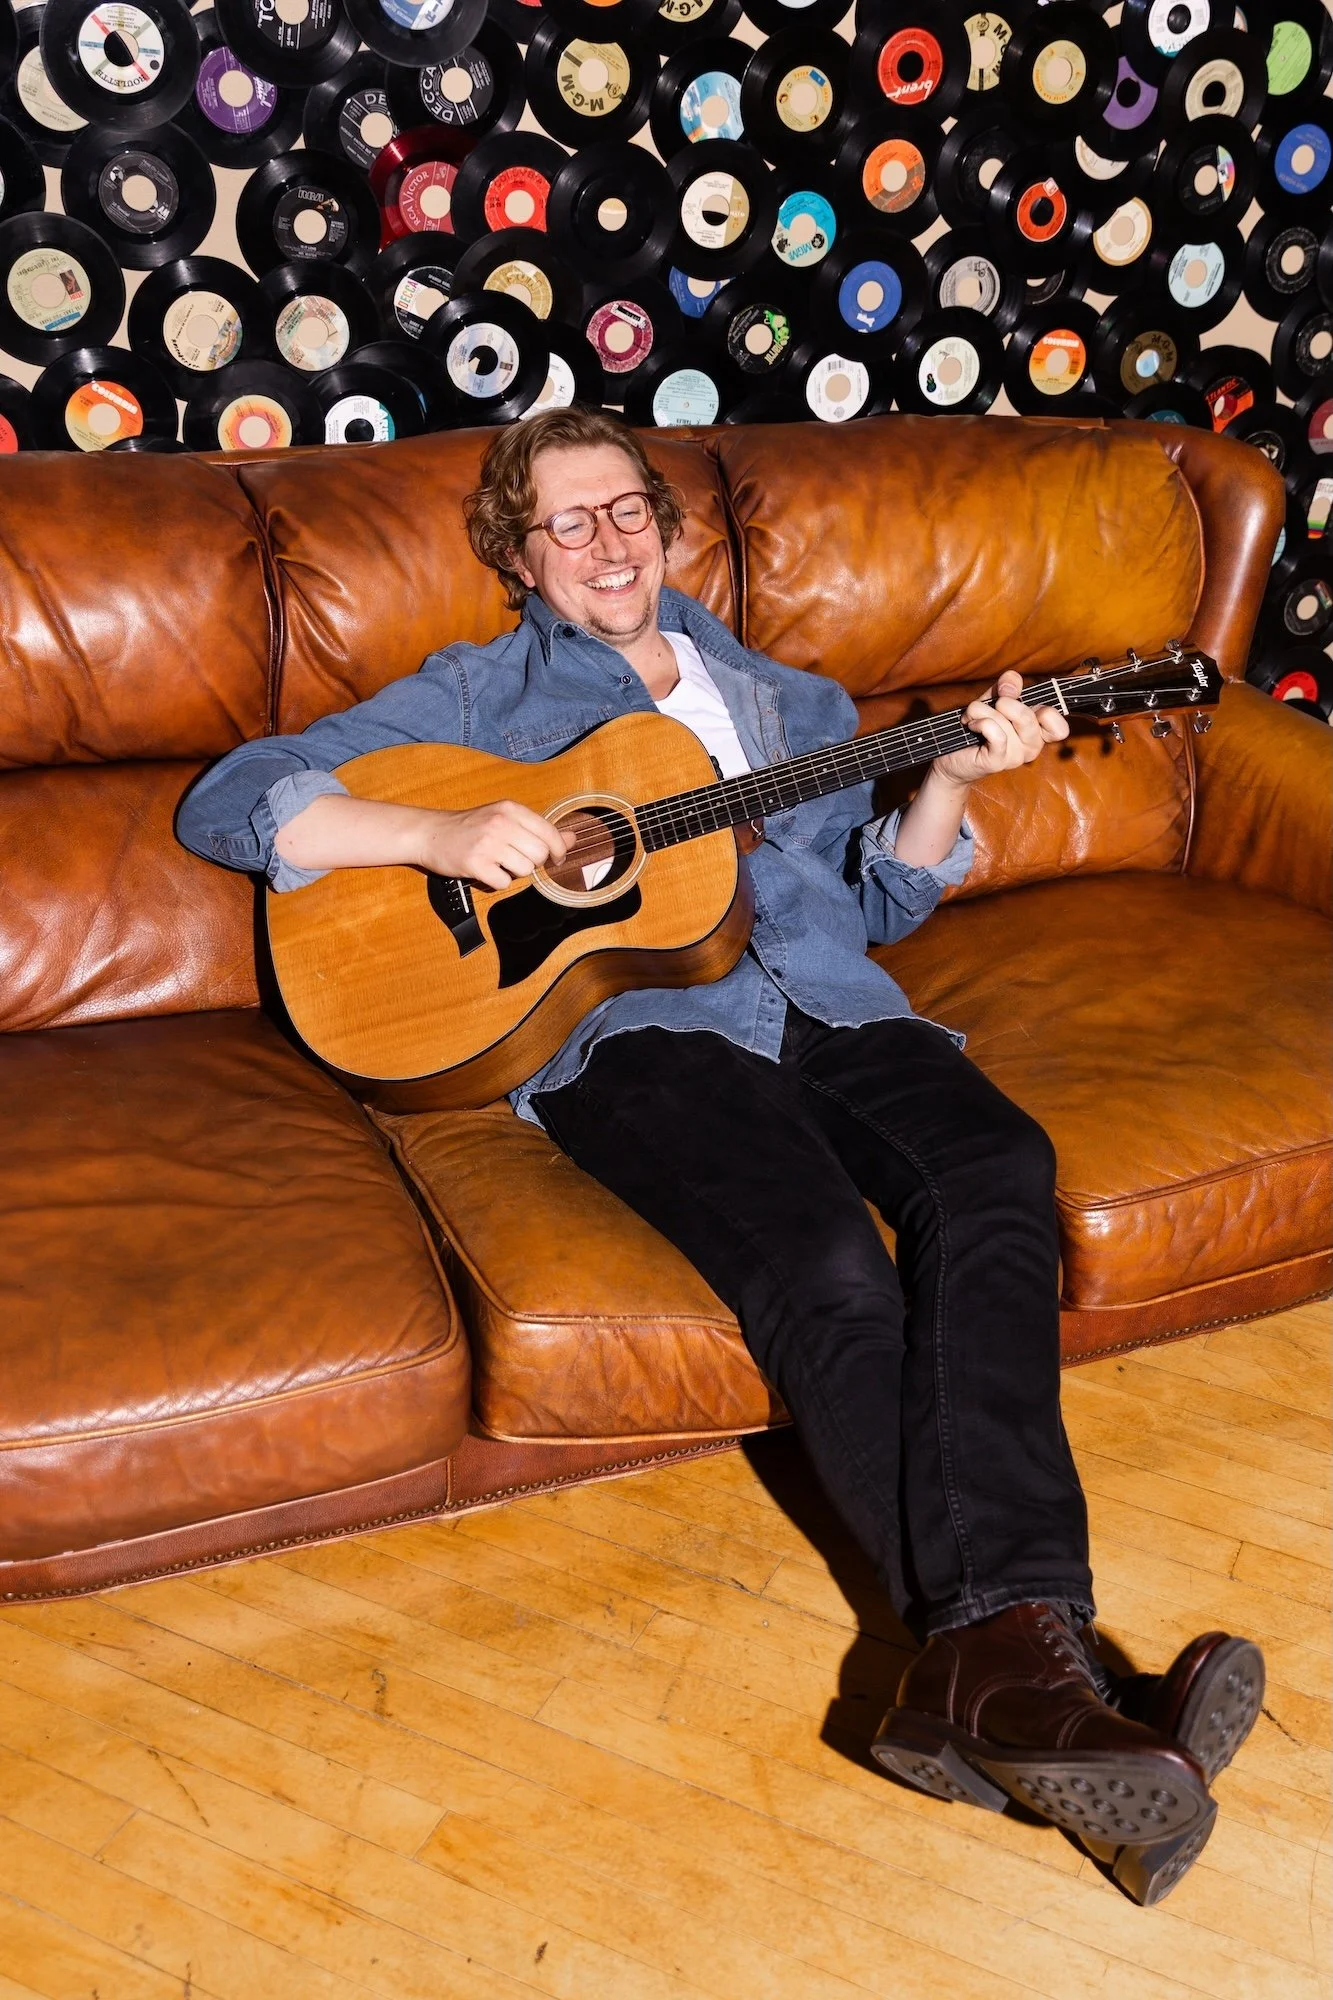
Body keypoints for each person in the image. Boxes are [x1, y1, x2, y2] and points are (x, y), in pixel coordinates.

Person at [178, 406, 1263, 1904]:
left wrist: (952, 784)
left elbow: (867, 908)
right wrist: (433, 841)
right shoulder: (481, 692)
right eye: (569, 523)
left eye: (628, 510)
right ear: (517, 551)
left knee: (996, 1169)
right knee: (825, 1266)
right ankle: (1066, 1679)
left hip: (826, 1007)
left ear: (669, 524)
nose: (608, 543)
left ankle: (1004, 1688)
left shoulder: (791, 702)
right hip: (631, 1044)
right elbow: (231, 800)